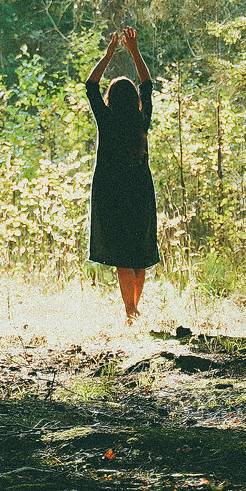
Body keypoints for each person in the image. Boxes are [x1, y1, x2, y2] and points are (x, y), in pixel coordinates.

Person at [84, 26, 160, 323]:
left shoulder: (106, 119)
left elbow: (91, 86)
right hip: (140, 191)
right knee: (138, 254)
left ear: (111, 100)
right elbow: (147, 84)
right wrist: (134, 51)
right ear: (135, 101)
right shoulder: (142, 120)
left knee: (122, 256)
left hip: (112, 192)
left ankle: (130, 312)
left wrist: (108, 55)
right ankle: (134, 311)